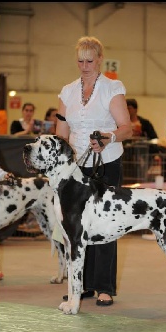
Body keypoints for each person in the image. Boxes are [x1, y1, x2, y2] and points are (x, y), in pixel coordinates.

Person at [55, 36, 132, 306]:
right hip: (76, 167)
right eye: (80, 60)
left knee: (105, 224)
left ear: (99, 59)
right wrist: (59, 161)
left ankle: (104, 287)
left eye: (90, 60)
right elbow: (62, 132)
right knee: (76, 228)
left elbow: (126, 127)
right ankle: (81, 285)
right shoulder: (67, 91)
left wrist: (108, 137)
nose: (84, 66)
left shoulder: (112, 88)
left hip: (107, 163)